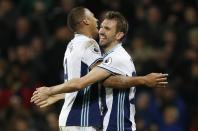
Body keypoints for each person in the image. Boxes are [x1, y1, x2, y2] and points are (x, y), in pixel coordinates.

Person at [31, 8, 168, 131]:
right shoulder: (101, 54)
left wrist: (51, 91)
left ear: (119, 35)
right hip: (102, 124)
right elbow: (94, 84)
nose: (101, 30)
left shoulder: (117, 57)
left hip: (117, 125)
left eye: (107, 29)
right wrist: (61, 95)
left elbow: (100, 82)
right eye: (102, 26)